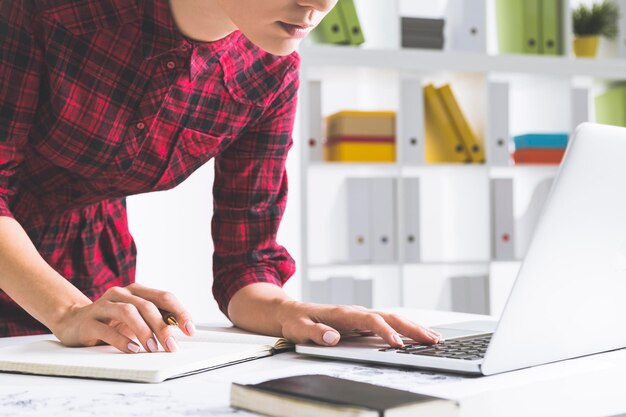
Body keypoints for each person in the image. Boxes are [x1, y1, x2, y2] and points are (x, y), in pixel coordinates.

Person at [0, 0, 441, 354]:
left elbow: (245, 263)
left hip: (94, 287)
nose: (321, 4)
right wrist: (66, 309)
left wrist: (292, 312)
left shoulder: (270, 70)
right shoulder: (49, 11)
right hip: (54, 293)